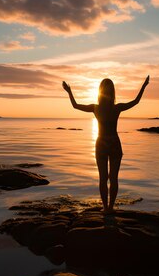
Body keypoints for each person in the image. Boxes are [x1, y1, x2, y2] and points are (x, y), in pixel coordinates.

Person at [62, 76, 149, 213]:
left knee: (103, 179)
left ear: (100, 92)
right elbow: (136, 101)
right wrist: (144, 86)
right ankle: (110, 207)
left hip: (101, 143)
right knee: (113, 178)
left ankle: (105, 208)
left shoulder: (95, 108)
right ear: (112, 92)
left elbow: (75, 105)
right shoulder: (117, 108)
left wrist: (69, 91)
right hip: (114, 143)